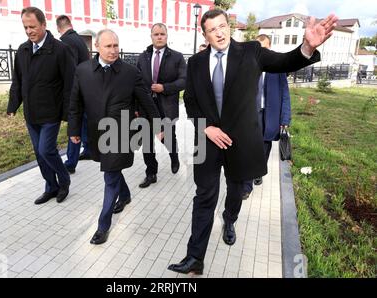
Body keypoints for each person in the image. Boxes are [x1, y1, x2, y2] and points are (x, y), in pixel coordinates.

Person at [168, 8, 337, 275]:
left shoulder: (251, 52)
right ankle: (195, 257)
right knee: (203, 197)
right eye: (212, 30)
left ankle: (229, 219)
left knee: (236, 193)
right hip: (208, 141)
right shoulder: (196, 62)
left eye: (222, 26)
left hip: (241, 143)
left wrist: (306, 47)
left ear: (229, 26)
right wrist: (206, 128)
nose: (219, 32)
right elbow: (190, 101)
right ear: (205, 34)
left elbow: (283, 62)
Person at [68, 29, 160, 245]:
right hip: (96, 132)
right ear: (97, 47)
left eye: (116, 45)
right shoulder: (83, 71)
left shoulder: (129, 72)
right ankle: (126, 195)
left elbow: (146, 99)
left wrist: (157, 124)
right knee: (113, 170)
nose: (113, 50)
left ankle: (103, 225)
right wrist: (73, 130)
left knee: (109, 176)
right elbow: (75, 103)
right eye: (108, 46)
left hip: (120, 132)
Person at [7, 7, 75, 205]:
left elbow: (70, 84)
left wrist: (68, 114)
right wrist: (13, 105)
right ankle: (50, 187)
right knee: (39, 153)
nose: (29, 31)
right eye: (25, 27)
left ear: (44, 25)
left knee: (47, 150)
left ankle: (64, 180)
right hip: (31, 112)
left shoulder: (60, 50)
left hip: (51, 112)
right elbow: (17, 81)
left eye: (33, 26)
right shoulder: (23, 50)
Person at [135, 23, 186, 188]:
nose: (159, 37)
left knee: (168, 138)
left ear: (167, 36)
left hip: (166, 106)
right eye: (156, 34)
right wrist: (136, 107)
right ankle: (151, 173)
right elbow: (136, 84)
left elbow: (184, 80)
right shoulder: (143, 58)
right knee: (147, 142)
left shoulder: (177, 57)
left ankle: (174, 157)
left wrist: (165, 87)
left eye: (162, 34)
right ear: (151, 36)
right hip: (146, 107)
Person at [244, 34, 292, 192]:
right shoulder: (248, 65)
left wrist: (285, 118)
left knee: (265, 145)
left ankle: (259, 170)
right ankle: (246, 186)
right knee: (250, 146)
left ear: (269, 47)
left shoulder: (277, 67)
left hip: (270, 115)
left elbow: (285, 93)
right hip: (252, 113)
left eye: (263, 48)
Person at [56, 15, 91, 174]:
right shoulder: (80, 40)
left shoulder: (66, 42)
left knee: (74, 124)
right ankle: (89, 149)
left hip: (75, 90)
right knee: (83, 120)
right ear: (70, 24)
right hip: (85, 87)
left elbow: (69, 70)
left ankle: (70, 163)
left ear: (58, 28)